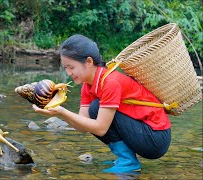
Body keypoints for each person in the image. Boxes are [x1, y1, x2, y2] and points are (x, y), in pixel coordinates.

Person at [32, 34, 171, 173]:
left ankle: (128, 162)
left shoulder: (111, 82)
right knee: (95, 109)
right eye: (65, 67)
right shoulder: (87, 86)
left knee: (96, 108)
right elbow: (83, 126)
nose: (68, 73)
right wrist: (60, 113)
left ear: (89, 62)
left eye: (71, 67)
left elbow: (100, 128)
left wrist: (63, 112)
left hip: (156, 138)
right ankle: (125, 158)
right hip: (141, 133)